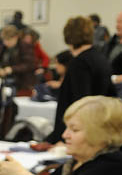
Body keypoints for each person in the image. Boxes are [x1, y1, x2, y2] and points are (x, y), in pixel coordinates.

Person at [47, 16, 113, 144]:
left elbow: (80, 101)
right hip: (99, 124)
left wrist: (65, 135)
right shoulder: (101, 58)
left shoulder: (79, 63)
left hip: (82, 132)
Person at [0, 25, 37, 95]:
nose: (5, 42)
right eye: (4, 40)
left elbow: (30, 65)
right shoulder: (2, 48)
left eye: (8, 40)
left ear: (16, 37)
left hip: (23, 83)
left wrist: (12, 69)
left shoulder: (25, 47)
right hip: (7, 82)